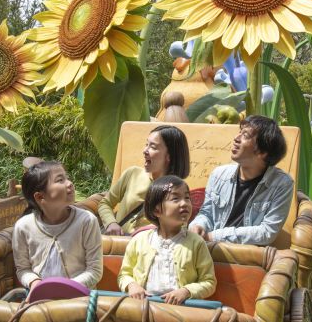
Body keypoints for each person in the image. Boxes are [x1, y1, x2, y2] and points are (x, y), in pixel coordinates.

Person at [190, 115, 293, 246]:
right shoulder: (219, 175)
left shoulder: (282, 184)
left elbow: (267, 232)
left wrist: (214, 236)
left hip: (246, 256)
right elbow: (207, 213)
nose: (236, 138)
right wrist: (198, 225)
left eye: (245, 135)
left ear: (263, 152)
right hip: (212, 250)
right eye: (239, 132)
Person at [118, 175, 215, 305]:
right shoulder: (138, 241)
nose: (184, 203)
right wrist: (132, 285)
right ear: (157, 210)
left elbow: (209, 282)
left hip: (180, 311)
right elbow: (124, 275)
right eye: (175, 198)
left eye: (187, 198)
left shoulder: (196, 243)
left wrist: (186, 291)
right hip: (142, 307)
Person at [11, 161, 103, 296]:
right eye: (60, 180)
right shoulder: (23, 227)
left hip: (79, 300)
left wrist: (65, 290)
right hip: (40, 298)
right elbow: (23, 269)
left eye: (66, 177)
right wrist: (35, 283)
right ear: (40, 196)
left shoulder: (87, 221)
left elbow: (95, 270)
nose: (69, 183)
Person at [98, 125, 190, 235]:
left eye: (153, 147)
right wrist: (111, 223)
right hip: (118, 245)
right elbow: (105, 203)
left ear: (169, 156)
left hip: (147, 249)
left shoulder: (179, 190)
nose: (145, 150)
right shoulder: (132, 174)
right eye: (146, 144)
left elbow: (180, 227)